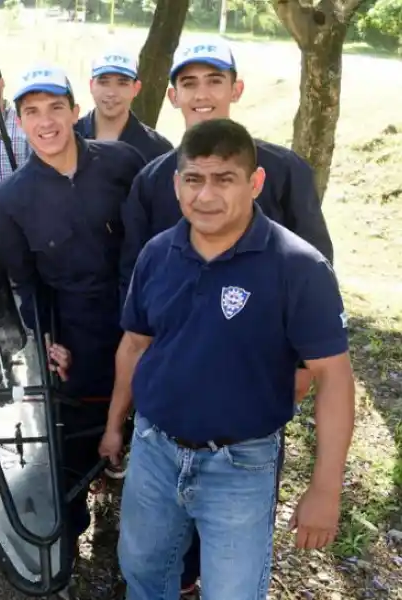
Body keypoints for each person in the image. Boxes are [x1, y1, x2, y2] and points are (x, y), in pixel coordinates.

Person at [100, 118, 354, 600]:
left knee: (232, 592)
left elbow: (334, 379)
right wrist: (116, 424)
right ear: (177, 185)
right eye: (194, 179)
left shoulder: (298, 267)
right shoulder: (158, 253)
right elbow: (134, 345)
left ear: (255, 183)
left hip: (241, 463)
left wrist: (326, 488)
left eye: (224, 179)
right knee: (143, 571)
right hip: (154, 449)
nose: (206, 196)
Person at [0, 63, 147, 563]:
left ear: (76, 112)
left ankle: (147, 539)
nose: (46, 121)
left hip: (141, 316)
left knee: (151, 428)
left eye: (56, 107)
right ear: (19, 122)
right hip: (76, 329)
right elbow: (25, 283)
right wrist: (46, 336)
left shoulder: (123, 162)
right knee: (73, 440)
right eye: (32, 111)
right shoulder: (11, 198)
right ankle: (69, 538)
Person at [74, 49, 173, 161]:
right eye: (103, 82)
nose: (111, 93)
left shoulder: (158, 149)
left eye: (122, 83)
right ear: (91, 85)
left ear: (136, 88)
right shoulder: (69, 137)